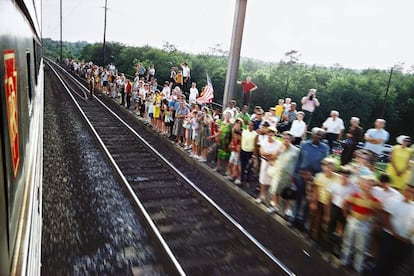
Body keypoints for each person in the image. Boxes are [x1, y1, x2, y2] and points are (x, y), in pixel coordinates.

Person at [341, 175, 382, 274]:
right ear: (361, 184)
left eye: (371, 183)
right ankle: (345, 261)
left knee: (362, 247)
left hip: (365, 224)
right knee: (348, 241)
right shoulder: (354, 195)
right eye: (367, 183)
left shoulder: (374, 201)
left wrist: (373, 221)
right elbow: (344, 205)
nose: (369, 185)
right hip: (353, 221)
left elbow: (379, 212)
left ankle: (358, 267)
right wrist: (347, 216)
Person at [292, 127, 329, 232]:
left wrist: (315, 177)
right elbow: (298, 160)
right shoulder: (304, 145)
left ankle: (303, 222)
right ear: (312, 134)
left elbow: (324, 164)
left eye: (321, 135)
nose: (319, 137)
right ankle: (294, 218)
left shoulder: (325, 148)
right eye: (317, 134)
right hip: (301, 175)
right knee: (298, 197)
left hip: (314, 178)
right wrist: (294, 174)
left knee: (308, 200)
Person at [372, 184, 414, 276]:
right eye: (408, 190)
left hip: (404, 241)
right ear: (403, 191)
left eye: (412, 192)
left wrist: (408, 238)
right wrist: (395, 234)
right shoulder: (394, 201)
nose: (410, 193)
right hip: (390, 237)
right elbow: (386, 217)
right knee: (383, 260)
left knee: (395, 264)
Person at [268, 131, 299, 215]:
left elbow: (297, 164)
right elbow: (273, 157)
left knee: (289, 192)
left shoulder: (296, 151)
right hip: (278, 173)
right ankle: (274, 206)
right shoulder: (280, 147)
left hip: (289, 175)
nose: (286, 140)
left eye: (288, 138)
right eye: (284, 138)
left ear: (291, 139)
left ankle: (288, 209)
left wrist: (294, 176)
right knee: (276, 191)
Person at [256, 126, 282, 204]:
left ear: (274, 134)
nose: (270, 135)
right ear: (267, 133)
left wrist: (269, 156)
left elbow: (276, 155)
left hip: (273, 164)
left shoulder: (278, 143)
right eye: (269, 133)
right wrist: (270, 154)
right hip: (264, 162)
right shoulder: (263, 141)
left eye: (272, 133)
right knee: (263, 180)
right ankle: (261, 195)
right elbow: (261, 153)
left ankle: (272, 200)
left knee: (272, 181)